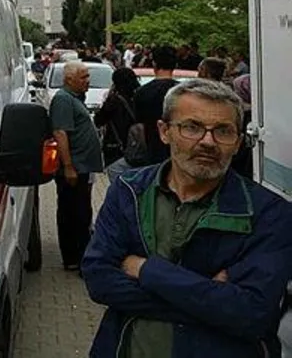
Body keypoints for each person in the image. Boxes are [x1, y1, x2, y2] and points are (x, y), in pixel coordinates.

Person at [82, 79, 292, 357]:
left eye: (223, 131)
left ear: (238, 143)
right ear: (164, 132)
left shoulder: (268, 213)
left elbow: (251, 314)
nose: (208, 142)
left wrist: (147, 270)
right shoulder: (130, 191)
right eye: (192, 127)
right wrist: (208, 300)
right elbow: (99, 280)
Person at [48, 61, 104, 271]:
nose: (88, 81)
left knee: (81, 212)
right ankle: (76, 258)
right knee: (74, 214)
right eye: (83, 77)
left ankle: (79, 256)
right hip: (74, 168)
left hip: (82, 167)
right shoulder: (63, 99)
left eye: (88, 76)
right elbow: (60, 132)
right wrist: (68, 166)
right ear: (69, 79)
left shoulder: (75, 98)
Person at [132, 45, 181, 168]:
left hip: (151, 150)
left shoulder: (142, 92)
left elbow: (138, 122)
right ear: (175, 65)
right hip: (178, 148)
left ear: (154, 64)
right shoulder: (182, 92)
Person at [96, 67, 140, 184]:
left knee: (118, 187)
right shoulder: (140, 98)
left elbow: (98, 120)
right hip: (137, 151)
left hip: (116, 150)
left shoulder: (113, 101)